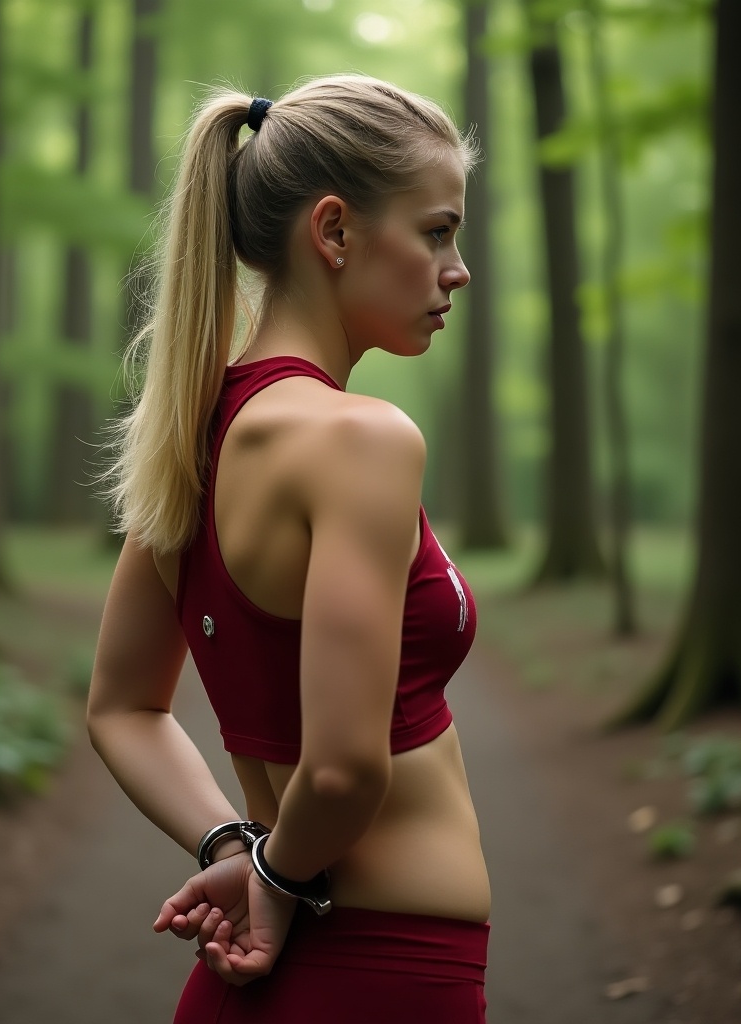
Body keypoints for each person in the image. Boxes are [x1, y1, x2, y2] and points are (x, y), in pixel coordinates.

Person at [88, 73, 491, 1023]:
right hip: (388, 975)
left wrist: (238, 854)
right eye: (437, 230)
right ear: (336, 232)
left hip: (256, 976)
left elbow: (121, 709)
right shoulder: (363, 440)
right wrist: (271, 870)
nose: (458, 267)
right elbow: (346, 770)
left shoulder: (195, 431)